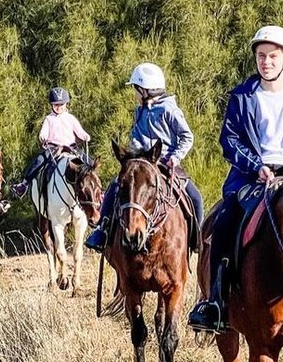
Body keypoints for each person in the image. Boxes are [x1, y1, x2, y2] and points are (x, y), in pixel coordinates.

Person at [187, 25, 283, 334]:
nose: (266, 62)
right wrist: (256, 167)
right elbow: (230, 140)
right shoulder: (241, 96)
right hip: (251, 179)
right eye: (261, 56)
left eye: (273, 56)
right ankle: (216, 302)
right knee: (225, 222)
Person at [85, 63, 203, 252]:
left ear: (145, 90)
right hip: (141, 162)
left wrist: (175, 157)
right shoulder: (140, 110)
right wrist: (132, 153)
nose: (134, 94)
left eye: (136, 89)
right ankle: (102, 231)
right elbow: (137, 137)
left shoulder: (169, 110)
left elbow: (187, 136)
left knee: (195, 197)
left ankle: (198, 241)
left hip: (165, 162)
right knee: (115, 187)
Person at [12, 87, 90, 198]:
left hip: (71, 148)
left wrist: (85, 136)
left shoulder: (70, 118)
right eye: (56, 105)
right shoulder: (49, 119)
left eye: (61, 104)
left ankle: (97, 189)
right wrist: (42, 136)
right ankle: (24, 184)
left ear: (66, 104)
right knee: (39, 161)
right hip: (54, 148)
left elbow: (79, 131)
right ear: (52, 105)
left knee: (88, 162)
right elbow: (44, 132)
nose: (59, 107)